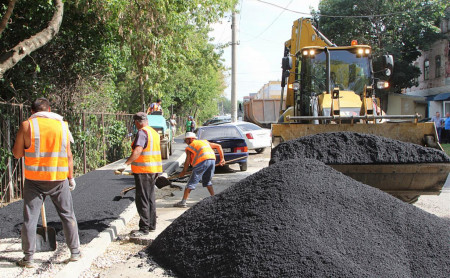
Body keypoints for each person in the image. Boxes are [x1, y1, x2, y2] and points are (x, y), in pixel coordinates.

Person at [12, 98, 80, 268]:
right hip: (58, 179)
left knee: (30, 219)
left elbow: (17, 154)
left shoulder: (27, 125)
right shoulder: (62, 126)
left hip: (34, 181)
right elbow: (69, 155)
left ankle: (28, 258)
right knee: (67, 215)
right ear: (49, 109)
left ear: (32, 112)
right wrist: (70, 177)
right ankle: (75, 252)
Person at [117, 112, 162, 237]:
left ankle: (144, 228)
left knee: (142, 198)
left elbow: (138, 150)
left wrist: (126, 164)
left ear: (137, 122)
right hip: (154, 169)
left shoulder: (142, 132)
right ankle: (151, 225)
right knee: (150, 197)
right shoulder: (153, 132)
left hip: (144, 171)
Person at [173, 132, 225, 208]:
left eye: (186, 140)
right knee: (207, 181)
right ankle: (214, 198)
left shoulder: (190, 146)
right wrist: (222, 159)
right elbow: (218, 146)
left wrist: (183, 171)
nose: (185, 142)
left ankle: (183, 202)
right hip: (212, 160)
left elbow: (187, 161)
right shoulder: (204, 141)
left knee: (191, 182)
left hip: (202, 161)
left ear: (190, 139)